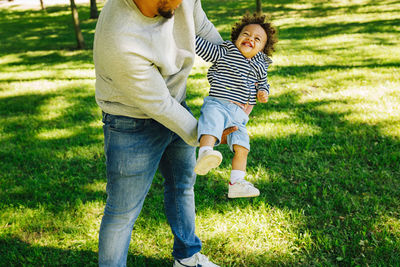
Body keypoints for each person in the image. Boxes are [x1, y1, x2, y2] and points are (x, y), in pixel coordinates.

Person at [93, 0, 233, 266]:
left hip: (175, 103)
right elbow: (159, 105)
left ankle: (187, 257)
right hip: (131, 123)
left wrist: (237, 69)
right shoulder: (120, 36)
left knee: (182, 186)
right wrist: (207, 135)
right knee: (122, 213)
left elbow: (202, 28)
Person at [194, 13, 278, 198]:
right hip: (219, 103)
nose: (250, 39)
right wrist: (187, 35)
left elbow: (263, 83)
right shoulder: (226, 51)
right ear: (237, 37)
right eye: (246, 34)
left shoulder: (260, 65)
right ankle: (205, 153)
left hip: (240, 115)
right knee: (211, 124)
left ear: (263, 48)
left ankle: (236, 182)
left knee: (242, 147)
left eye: (257, 39)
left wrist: (264, 92)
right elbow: (202, 47)